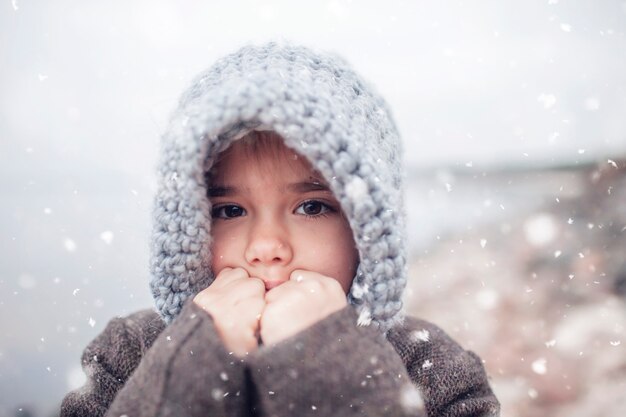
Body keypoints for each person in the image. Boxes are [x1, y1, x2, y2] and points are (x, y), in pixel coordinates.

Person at [60, 41, 500, 417]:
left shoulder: (432, 366)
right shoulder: (131, 353)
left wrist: (332, 362)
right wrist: (190, 362)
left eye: (311, 206)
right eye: (230, 211)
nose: (266, 247)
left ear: (368, 232)